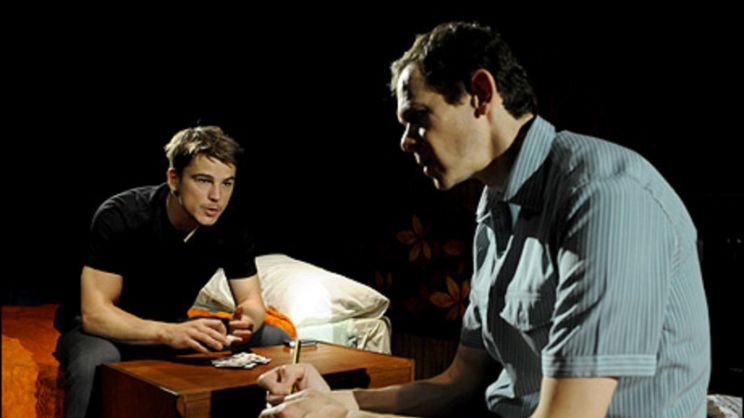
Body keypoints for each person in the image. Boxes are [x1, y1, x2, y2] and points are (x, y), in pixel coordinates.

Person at [257, 21, 711, 418]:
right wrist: (339, 400)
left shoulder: (603, 196)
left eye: (417, 118)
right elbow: (459, 383)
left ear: (480, 93)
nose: (406, 142)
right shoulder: (494, 207)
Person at [54, 126, 290, 418]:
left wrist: (247, 322)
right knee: (95, 358)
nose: (217, 196)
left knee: (274, 338)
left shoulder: (231, 225)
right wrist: (169, 333)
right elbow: (96, 315)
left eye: (227, 183)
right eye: (203, 181)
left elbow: (252, 301)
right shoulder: (122, 215)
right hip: (107, 332)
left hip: (173, 326)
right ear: (174, 179)